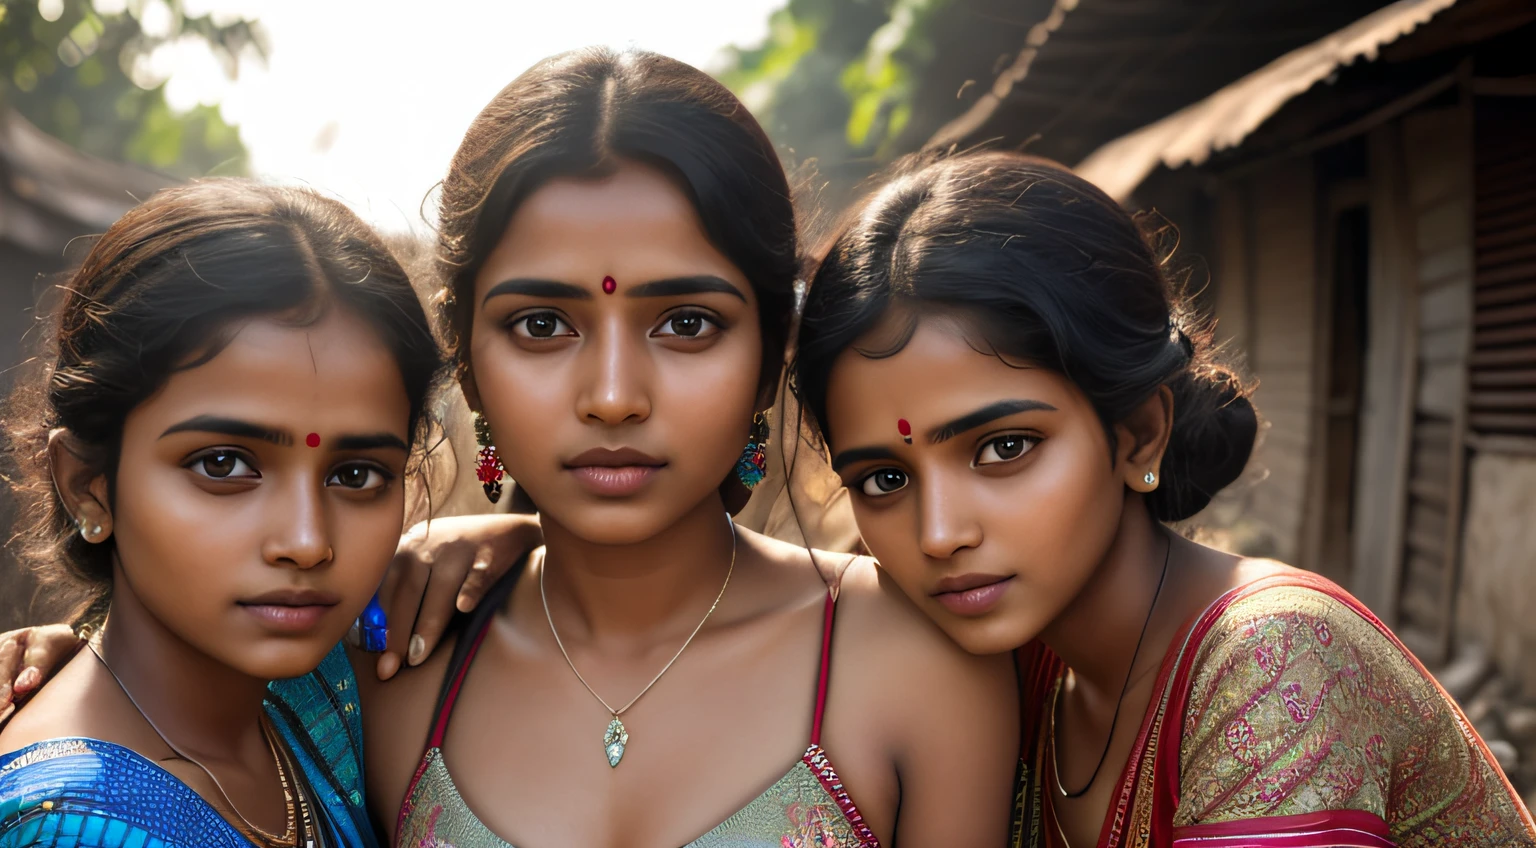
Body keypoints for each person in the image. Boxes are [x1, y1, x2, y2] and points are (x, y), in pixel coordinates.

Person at [1, 49, 1019, 848]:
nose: (614, 396)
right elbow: (147, 687)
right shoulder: (390, 659)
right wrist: (51, 658)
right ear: (468, 359)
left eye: (689, 324)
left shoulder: (920, 660)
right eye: (542, 325)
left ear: (770, 353)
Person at [789, 150, 1536, 846]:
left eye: (1005, 448)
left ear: (1139, 435)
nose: (940, 534)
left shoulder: (1274, 659)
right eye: (884, 480)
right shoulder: (1020, 672)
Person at [0, 180, 446, 847]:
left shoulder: (311, 701)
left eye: (356, 476)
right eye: (223, 466)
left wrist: (516, 538)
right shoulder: (70, 826)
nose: (306, 541)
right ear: (89, 485)